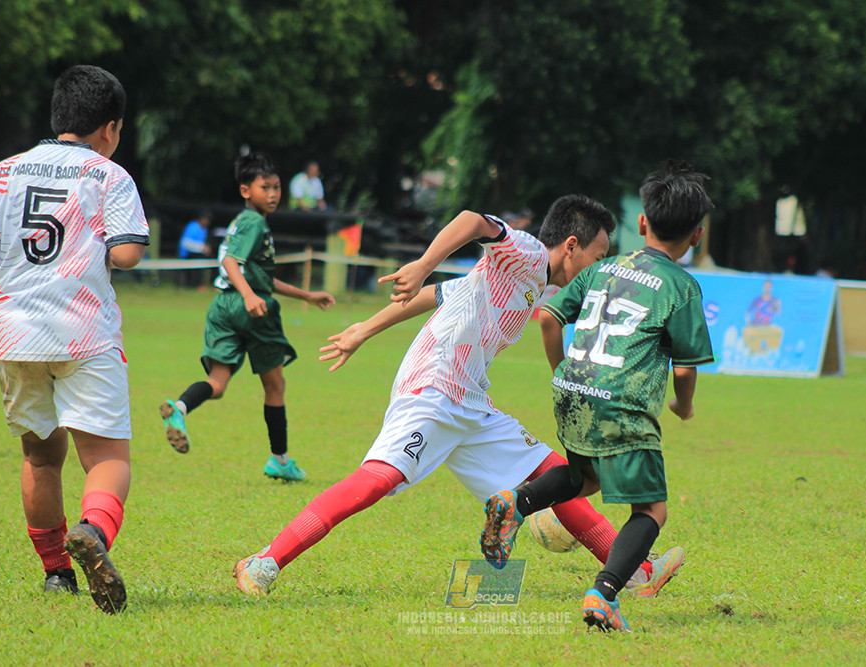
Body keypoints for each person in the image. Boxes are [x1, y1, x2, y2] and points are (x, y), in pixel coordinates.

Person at [233, 197, 679, 597]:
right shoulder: (523, 251)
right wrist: (425, 261)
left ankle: (637, 572)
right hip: (434, 387)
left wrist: (364, 330)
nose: (598, 267)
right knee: (375, 481)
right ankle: (265, 562)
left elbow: (441, 294)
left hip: (470, 401)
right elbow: (471, 220)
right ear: (571, 245)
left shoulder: (534, 284)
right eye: (597, 257)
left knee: (556, 475)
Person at [479, 161, 715, 633]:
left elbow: (547, 317)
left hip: (573, 393)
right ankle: (603, 595)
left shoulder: (604, 267)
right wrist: (683, 406)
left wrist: (562, 372)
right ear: (697, 236)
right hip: (623, 405)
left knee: (583, 478)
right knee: (651, 511)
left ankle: (515, 502)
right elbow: (685, 368)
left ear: (643, 224)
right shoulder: (682, 286)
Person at [0, 65, 149, 614]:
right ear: (110, 128)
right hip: (83, 332)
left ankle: (57, 573)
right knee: (106, 456)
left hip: (16, 333)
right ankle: (94, 531)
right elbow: (126, 252)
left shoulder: (2, 173)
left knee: (40, 457)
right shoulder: (108, 175)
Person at [159, 153, 336, 480]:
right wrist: (250, 295)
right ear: (245, 190)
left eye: (277, 187)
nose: (272, 194)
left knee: (219, 383)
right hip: (250, 309)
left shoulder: (241, 221)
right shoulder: (255, 223)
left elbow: (261, 277)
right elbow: (231, 264)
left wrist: (306, 295)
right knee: (275, 386)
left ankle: (180, 408)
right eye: (264, 187)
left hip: (222, 307)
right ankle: (280, 460)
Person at [178, 209, 213, 288]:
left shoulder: (205, 229)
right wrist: (203, 247)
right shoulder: (192, 227)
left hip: (198, 254)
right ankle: (194, 285)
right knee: (197, 260)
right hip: (187, 254)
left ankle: (202, 284)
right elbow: (186, 244)